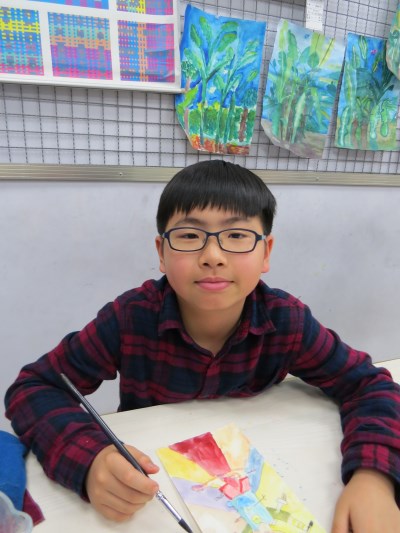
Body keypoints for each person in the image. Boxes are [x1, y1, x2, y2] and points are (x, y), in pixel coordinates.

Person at [4, 160, 400, 532]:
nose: (213, 256)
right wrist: (90, 458)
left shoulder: (287, 321)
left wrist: (374, 476)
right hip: (152, 490)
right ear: (161, 253)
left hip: (262, 469)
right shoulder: (130, 318)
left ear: (266, 252)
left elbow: (369, 385)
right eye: (190, 236)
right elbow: (34, 388)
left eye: (237, 236)